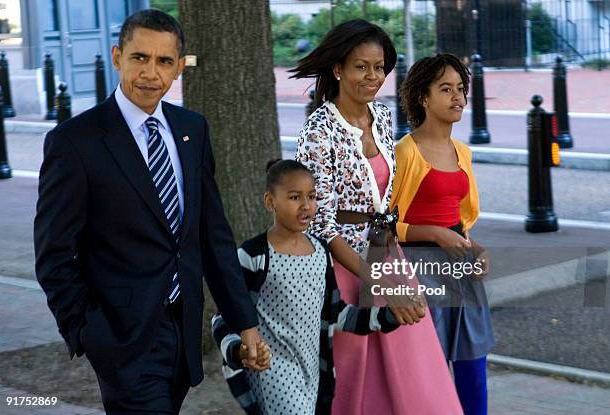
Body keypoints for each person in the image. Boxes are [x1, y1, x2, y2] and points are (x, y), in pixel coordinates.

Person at [34, 9, 267, 414]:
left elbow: (213, 236)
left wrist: (244, 324)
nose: (150, 72)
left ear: (178, 68)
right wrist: (87, 331)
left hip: (182, 330)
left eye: (163, 61)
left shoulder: (192, 129)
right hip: (121, 338)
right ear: (116, 56)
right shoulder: (75, 142)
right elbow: (53, 252)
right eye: (139, 57)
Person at [291, 19, 463, 415]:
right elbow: (322, 224)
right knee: (355, 380)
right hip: (343, 270)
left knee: (418, 376)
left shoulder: (382, 116)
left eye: (380, 66)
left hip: (387, 256)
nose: (373, 76)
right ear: (338, 69)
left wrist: (396, 275)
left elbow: (384, 202)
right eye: (361, 66)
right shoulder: (318, 132)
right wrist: (384, 285)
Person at [211, 159, 402, 415]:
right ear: (270, 202)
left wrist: (389, 315)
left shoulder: (322, 253)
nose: (306, 206)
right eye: (294, 197)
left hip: (315, 374)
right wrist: (238, 350)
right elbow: (222, 317)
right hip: (272, 374)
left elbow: (337, 315)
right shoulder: (253, 256)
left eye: (311, 197)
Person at [391, 53, 495, 415]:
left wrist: (473, 247)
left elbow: (460, 221)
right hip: (415, 274)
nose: (458, 98)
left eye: (461, 90)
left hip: (460, 271)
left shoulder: (462, 152)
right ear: (423, 97)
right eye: (446, 89)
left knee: (473, 369)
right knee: (424, 376)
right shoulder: (403, 153)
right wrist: (434, 234)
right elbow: (383, 226)